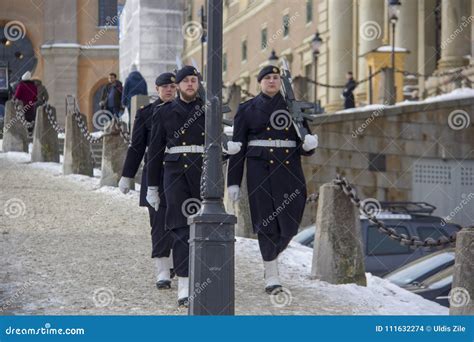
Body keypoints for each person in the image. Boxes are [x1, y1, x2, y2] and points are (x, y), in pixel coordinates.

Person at [227, 65, 318, 295]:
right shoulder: (247, 109)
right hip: (260, 170)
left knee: (290, 223)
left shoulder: (292, 107)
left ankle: (272, 256)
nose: (272, 81)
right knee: (266, 222)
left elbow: (303, 138)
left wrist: (309, 147)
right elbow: (238, 148)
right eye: (267, 77)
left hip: (289, 170)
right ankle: (272, 273)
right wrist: (233, 181)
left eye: (276, 78)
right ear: (259, 82)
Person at [145, 65, 204, 307]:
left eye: (194, 80)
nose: (190, 84)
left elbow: (216, 143)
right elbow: (155, 153)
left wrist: (226, 150)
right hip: (175, 171)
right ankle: (184, 284)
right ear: (178, 86)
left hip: (203, 172)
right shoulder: (164, 112)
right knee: (180, 228)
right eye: (185, 81)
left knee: (203, 228)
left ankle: (202, 279)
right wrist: (152, 186)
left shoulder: (208, 110)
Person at [119, 72, 177, 290]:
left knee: (179, 222)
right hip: (155, 174)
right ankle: (162, 268)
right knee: (158, 222)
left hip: (182, 174)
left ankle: (175, 264)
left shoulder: (188, 111)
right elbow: (137, 147)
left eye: (172, 86)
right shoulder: (146, 114)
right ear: (157, 89)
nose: (169, 90)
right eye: (165, 87)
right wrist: (127, 175)